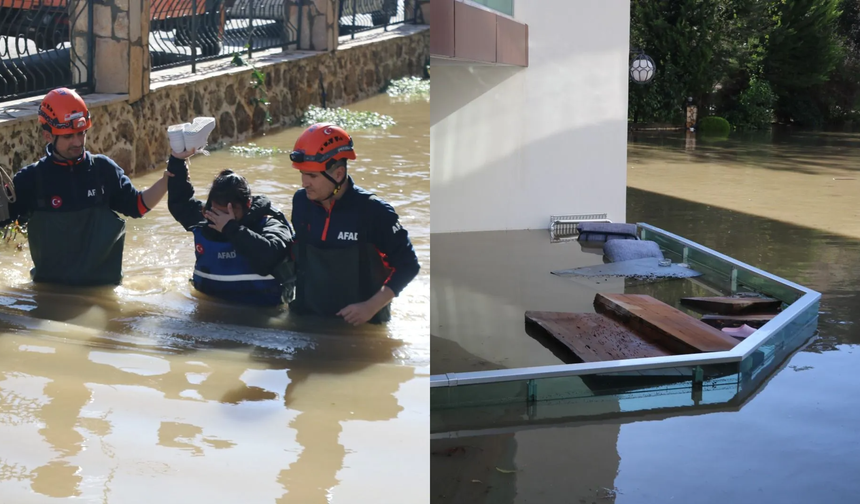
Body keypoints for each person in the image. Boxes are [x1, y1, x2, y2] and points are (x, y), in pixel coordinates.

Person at [0, 87, 171, 286]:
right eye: (68, 136)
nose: (78, 142)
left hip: (103, 291)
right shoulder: (31, 179)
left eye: (81, 133)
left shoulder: (103, 170)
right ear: (48, 136)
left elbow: (138, 206)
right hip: (49, 293)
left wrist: (167, 180)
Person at [288, 123, 420, 325]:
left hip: (360, 326)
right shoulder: (301, 201)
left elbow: (408, 265)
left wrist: (371, 307)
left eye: (312, 176)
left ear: (338, 174)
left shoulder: (374, 211)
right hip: (309, 320)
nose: (304, 183)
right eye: (302, 174)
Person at [167, 150, 296, 306]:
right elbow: (180, 202)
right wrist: (177, 160)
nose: (220, 219)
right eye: (217, 212)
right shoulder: (208, 219)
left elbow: (271, 256)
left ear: (247, 205)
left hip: (260, 315)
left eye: (228, 213)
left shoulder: (270, 223)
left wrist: (231, 228)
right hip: (211, 310)